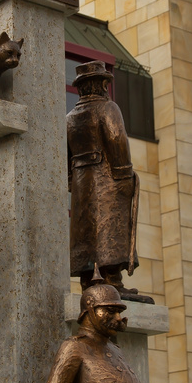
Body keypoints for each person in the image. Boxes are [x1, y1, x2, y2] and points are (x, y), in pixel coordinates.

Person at [66, 61, 144, 300]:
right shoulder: (108, 108)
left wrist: (72, 181)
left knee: (86, 232)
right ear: (101, 85)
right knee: (111, 228)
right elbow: (117, 140)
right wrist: (124, 175)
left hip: (81, 183)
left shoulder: (70, 117)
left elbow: (65, 155)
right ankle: (112, 280)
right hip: (108, 181)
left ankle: (89, 281)